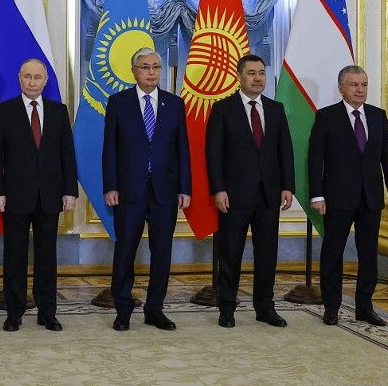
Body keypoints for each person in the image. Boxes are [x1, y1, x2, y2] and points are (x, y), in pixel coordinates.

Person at [103, 47, 191, 332]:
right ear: (134, 71)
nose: (151, 72)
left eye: (155, 67)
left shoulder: (174, 104)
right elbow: (110, 149)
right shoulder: (118, 102)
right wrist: (111, 185)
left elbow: (182, 150)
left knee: (162, 252)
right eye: (145, 67)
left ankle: (155, 309)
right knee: (125, 250)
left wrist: (184, 188)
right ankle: (123, 310)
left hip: (165, 191)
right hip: (129, 190)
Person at [309, 65, 388, 326]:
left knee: (369, 255)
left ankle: (364, 307)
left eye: (363, 85)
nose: (360, 90)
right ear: (341, 88)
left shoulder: (377, 116)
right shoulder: (326, 117)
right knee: (332, 253)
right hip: (337, 199)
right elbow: (316, 160)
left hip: (370, 199)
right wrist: (317, 195)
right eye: (354, 85)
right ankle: (332, 308)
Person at [205, 54, 294, 328]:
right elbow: (213, 154)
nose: (258, 78)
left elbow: (285, 152)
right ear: (239, 77)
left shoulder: (276, 109)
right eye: (252, 73)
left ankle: (265, 307)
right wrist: (218, 189)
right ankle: (227, 308)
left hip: (269, 195)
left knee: (267, 254)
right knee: (230, 254)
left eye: (262, 73)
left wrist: (287, 186)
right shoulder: (223, 109)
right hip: (233, 196)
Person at [0, 59, 77, 332]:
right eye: (27, 76)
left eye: (37, 77)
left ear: (46, 80)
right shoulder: (4, 111)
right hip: (15, 196)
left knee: (46, 257)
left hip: (50, 196)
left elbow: (67, 155)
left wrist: (70, 191)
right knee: (14, 255)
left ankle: (47, 312)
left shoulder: (58, 111)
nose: (32, 82)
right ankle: (14, 312)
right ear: (19, 78)